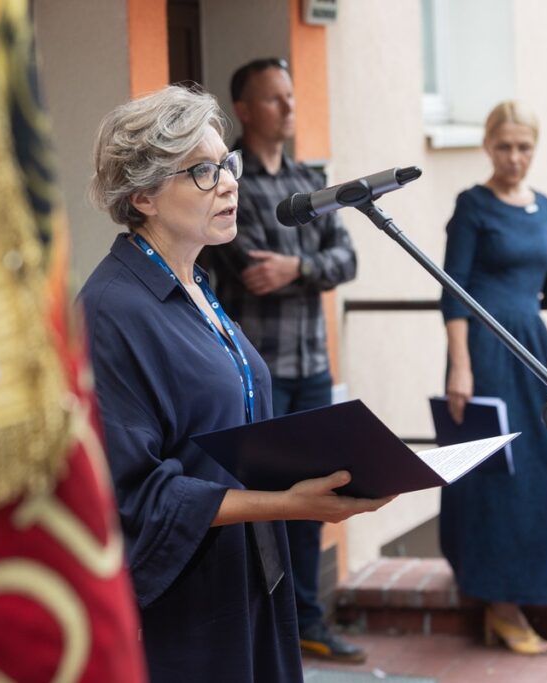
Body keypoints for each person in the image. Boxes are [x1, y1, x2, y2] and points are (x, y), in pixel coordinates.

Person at [79, 85, 392, 682]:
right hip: (185, 606)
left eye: (227, 163)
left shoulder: (195, 285)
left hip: (250, 575)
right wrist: (288, 504)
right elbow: (135, 495)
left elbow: (225, 427)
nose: (228, 182)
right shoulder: (111, 310)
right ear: (142, 194)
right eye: (202, 171)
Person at [439, 100, 547, 655]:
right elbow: (453, 291)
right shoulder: (472, 206)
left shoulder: (543, 207)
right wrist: (460, 366)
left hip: (533, 355)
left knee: (540, 470)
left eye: (524, 148)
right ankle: (499, 604)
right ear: (488, 146)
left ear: (534, 149)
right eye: (504, 146)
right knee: (496, 472)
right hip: (486, 356)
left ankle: (531, 594)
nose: (514, 158)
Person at [208, 58, 363, 663]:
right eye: (274, 99)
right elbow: (249, 268)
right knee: (266, 497)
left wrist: (297, 267)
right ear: (244, 110)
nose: (289, 107)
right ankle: (269, 618)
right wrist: (307, 268)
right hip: (260, 373)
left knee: (317, 494)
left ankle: (309, 619)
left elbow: (345, 259)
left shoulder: (310, 180)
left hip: (312, 365)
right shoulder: (229, 183)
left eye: (291, 96)